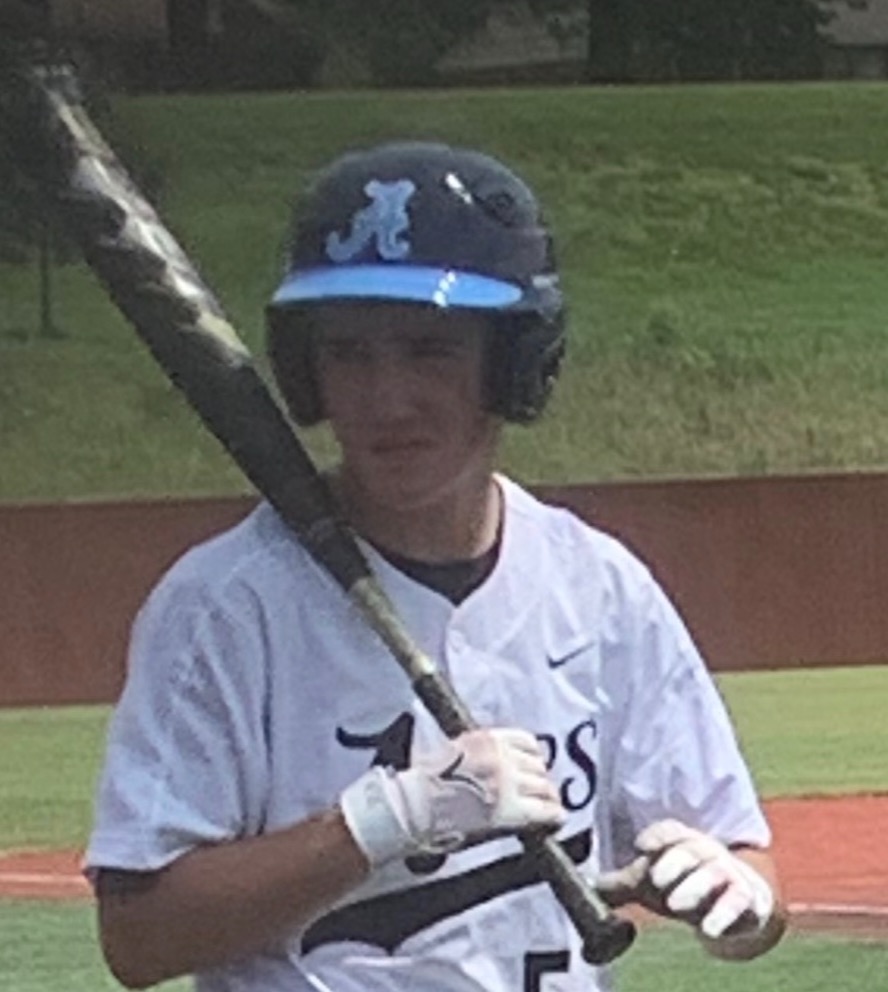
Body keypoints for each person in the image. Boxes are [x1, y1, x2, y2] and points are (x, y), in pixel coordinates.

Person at [85, 140, 787, 992]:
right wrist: (390, 818)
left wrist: (740, 901)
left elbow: (742, 859)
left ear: (515, 362)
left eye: (430, 349)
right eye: (349, 353)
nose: (387, 400)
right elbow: (140, 937)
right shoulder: (227, 606)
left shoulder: (598, 587)